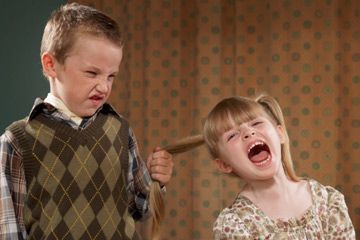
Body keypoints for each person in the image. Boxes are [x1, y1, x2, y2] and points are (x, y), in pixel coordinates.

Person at [0, 3, 173, 239]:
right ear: (51, 64)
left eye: (111, 76)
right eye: (92, 73)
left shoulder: (120, 130)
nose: (104, 87)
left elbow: (140, 209)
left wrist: (154, 181)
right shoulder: (18, 140)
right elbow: (8, 229)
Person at [164, 94, 355, 239]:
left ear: (280, 133)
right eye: (232, 135)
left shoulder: (327, 201)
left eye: (256, 123)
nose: (248, 132)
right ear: (224, 165)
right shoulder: (234, 224)